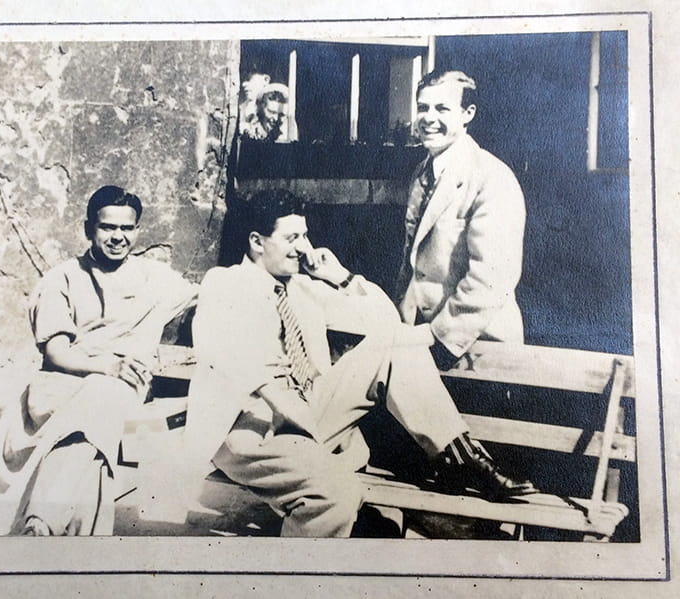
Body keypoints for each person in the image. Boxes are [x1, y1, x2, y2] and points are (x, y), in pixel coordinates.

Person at [183, 189, 536, 538]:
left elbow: (387, 324)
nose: (303, 247)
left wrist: (341, 277)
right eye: (292, 237)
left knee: (395, 346)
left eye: (305, 236)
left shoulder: (305, 289)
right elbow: (244, 368)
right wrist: (309, 434)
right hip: (253, 427)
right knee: (335, 494)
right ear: (258, 242)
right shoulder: (225, 283)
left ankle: (462, 456)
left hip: (306, 414)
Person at [0, 185, 196, 536]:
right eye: (107, 228)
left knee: (105, 398)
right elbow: (57, 353)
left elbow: (208, 296)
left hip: (118, 387)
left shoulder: (153, 278)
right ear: (88, 229)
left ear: (137, 231)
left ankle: (41, 523)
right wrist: (108, 366)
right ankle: (63, 536)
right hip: (63, 385)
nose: (118, 237)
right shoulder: (61, 279)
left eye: (126, 229)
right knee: (97, 427)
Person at [394, 70, 526, 370]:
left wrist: (438, 339)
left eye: (442, 108)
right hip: (420, 343)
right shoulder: (420, 174)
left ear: (468, 114)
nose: (428, 118)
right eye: (423, 107)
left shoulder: (492, 177)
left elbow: (491, 279)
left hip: (476, 349)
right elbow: (411, 264)